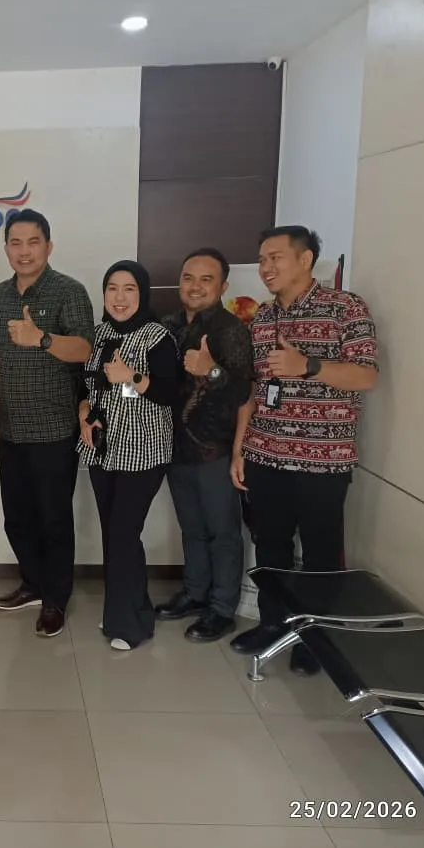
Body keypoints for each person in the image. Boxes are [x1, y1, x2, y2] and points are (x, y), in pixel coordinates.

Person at [228, 226, 378, 675]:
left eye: (275, 257)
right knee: (270, 547)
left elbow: (366, 376)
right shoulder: (263, 318)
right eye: (261, 259)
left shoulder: (345, 308)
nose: (265, 267)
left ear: (306, 259)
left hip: (322, 459)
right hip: (265, 454)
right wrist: (240, 448)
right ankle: (274, 625)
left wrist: (308, 365)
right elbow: (255, 389)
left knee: (319, 555)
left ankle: (315, 639)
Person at [0, 209, 95, 638]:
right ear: (6, 248)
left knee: (53, 520)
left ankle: (55, 599)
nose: (24, 251)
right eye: (16, 243)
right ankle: (32, 584)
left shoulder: (69, 291)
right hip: (10, 427)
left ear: (48, 246)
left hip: (53, 427)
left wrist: (42, 338)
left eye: (33, 242)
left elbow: (85, 349)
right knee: (16, 517)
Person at [78, 261, 180, 650]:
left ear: (143, 294)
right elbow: (85, 387)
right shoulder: (98, 333)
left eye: (129, 289)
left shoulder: (157, 337)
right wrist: (84, 414)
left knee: (122, 534)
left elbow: (170, 393)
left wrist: (133, 378)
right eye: (112, 288)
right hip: (103, 448)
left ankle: (126, 626)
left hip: (143, 450)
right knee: (116, 534)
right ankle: (131, 611)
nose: (119, 298)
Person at [157, 248, 253, 642]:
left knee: (223, 532)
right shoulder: (167, 325)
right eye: (188, 278)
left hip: (215, 449)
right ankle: (195, 593)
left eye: (206, 279)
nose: (195, 286)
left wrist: (210, 370)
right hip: (175, 448)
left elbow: (245, 392)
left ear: (223, 286)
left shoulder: (230, 330)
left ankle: (222, 608)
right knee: (192, 528)